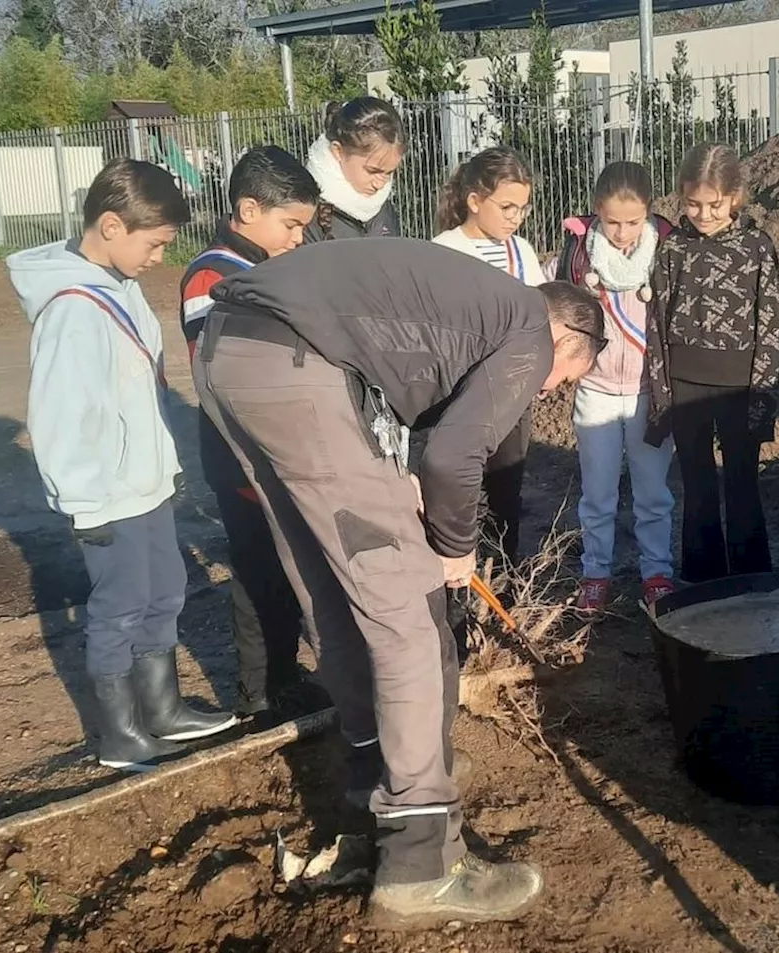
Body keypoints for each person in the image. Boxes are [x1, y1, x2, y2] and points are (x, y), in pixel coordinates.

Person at [192, 237, 604, 926]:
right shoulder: (528, 327)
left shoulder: (460, 307)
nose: (548, 389)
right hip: (298, 366)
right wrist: (454, 547)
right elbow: (451, 456)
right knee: (410, 613)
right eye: (565, 376)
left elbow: (411, 423)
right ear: (568, 334)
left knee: (332, 593)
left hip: (227, 355)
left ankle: (371, 780)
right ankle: (421, 861)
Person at [8, 158, 237, 771]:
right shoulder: (74, 309)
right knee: (119, 606)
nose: (161, 258)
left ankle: (160, 711)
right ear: (112, 225)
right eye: (156, 243)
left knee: (164, 591)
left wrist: (163, 468)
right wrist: (85, 502)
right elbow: (60, 418)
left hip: (144, 484)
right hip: (107, 496)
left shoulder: (121, 287)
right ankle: (119, 733)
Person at [180, 145, 330, 720]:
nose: (298, 237)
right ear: (247, 209)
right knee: (257, 571)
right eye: (291, 224)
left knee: (284, 567)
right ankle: (259, 694)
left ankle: (285, 675)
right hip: (241, 452)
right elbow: (225, 371)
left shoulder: (261, 267)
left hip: (275, 448)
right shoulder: (214, 276)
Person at [645, 143, 779, 584]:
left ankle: (751, 579)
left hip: (738, 388)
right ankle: (702, 581)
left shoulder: (756, 249)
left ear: (735, 198)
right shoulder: (672, 250)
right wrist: (662, 393)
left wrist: (762, 395)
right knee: (698, 484)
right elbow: (658, 322)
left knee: (742, 482)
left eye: (714, 204)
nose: (703, 214)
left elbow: (771, 323)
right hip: (686, 386)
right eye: (693, 204)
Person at [545, 160, 676, 611]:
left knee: (653, 492)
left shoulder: (667, 250)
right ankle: (595, 573)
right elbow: (553, 302)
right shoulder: (578, 254)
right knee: (597, 493)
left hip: (648, 393)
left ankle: (657, 572)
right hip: (596, 390)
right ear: (596, 211)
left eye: (633, 222)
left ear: (650, 213)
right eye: (612, 222)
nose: (622, 233)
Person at [431, 146, 546, 567]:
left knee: (505, 496)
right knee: (465, 495)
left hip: (511, 401)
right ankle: (462, 583)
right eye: (507, 207)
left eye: (523, 208)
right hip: (460, 399)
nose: (515, 217)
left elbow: (539, 317)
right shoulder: (443, 251)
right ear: (474, 201)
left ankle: (504, 583)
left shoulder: (523, 253)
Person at [304, 97, 405, 242]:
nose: (380, 184)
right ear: (338, 151)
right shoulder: (304, 214)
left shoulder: (384, 209)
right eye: (372, 171)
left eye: (389, 172)